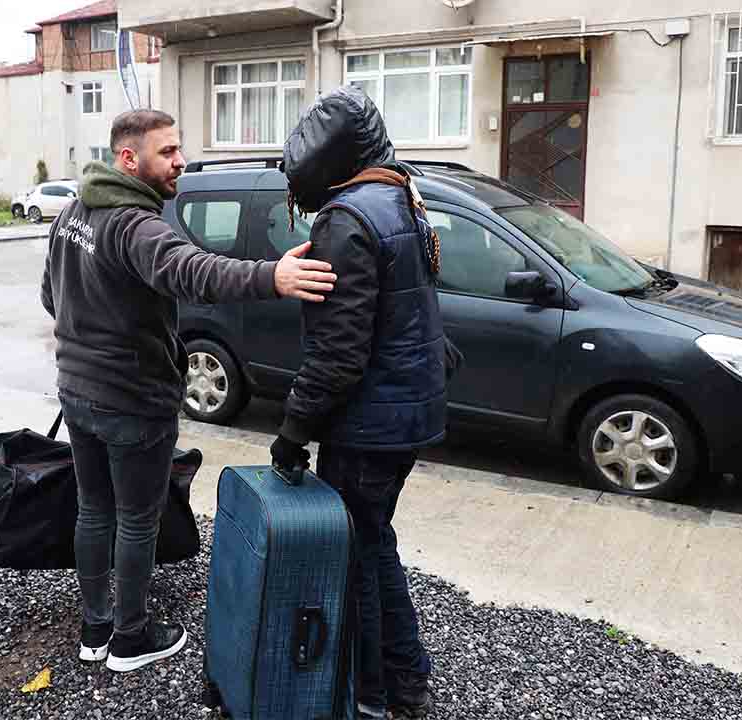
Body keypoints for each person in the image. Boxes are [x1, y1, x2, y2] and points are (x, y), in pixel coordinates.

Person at [40, 109, 338, 673]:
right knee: (135, 519)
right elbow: (191, 271)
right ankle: (129, 639)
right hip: (133, 400)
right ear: (128, 159)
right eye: (167, 152)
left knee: (95, 509)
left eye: (179, 149)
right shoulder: (136, 226)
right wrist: (269, 277)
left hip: (76, 392)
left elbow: (51, 297)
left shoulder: (75, 211)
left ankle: (94, 627)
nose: (180, 161)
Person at [270, 86, 458, 719]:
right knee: (376, 543)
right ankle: (408, 684)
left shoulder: (348, 218)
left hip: (368, 423)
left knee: (359, 559)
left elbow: (339, 351)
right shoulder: (401, 195)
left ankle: (372, 697)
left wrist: (293, 431)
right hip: (407, 410)